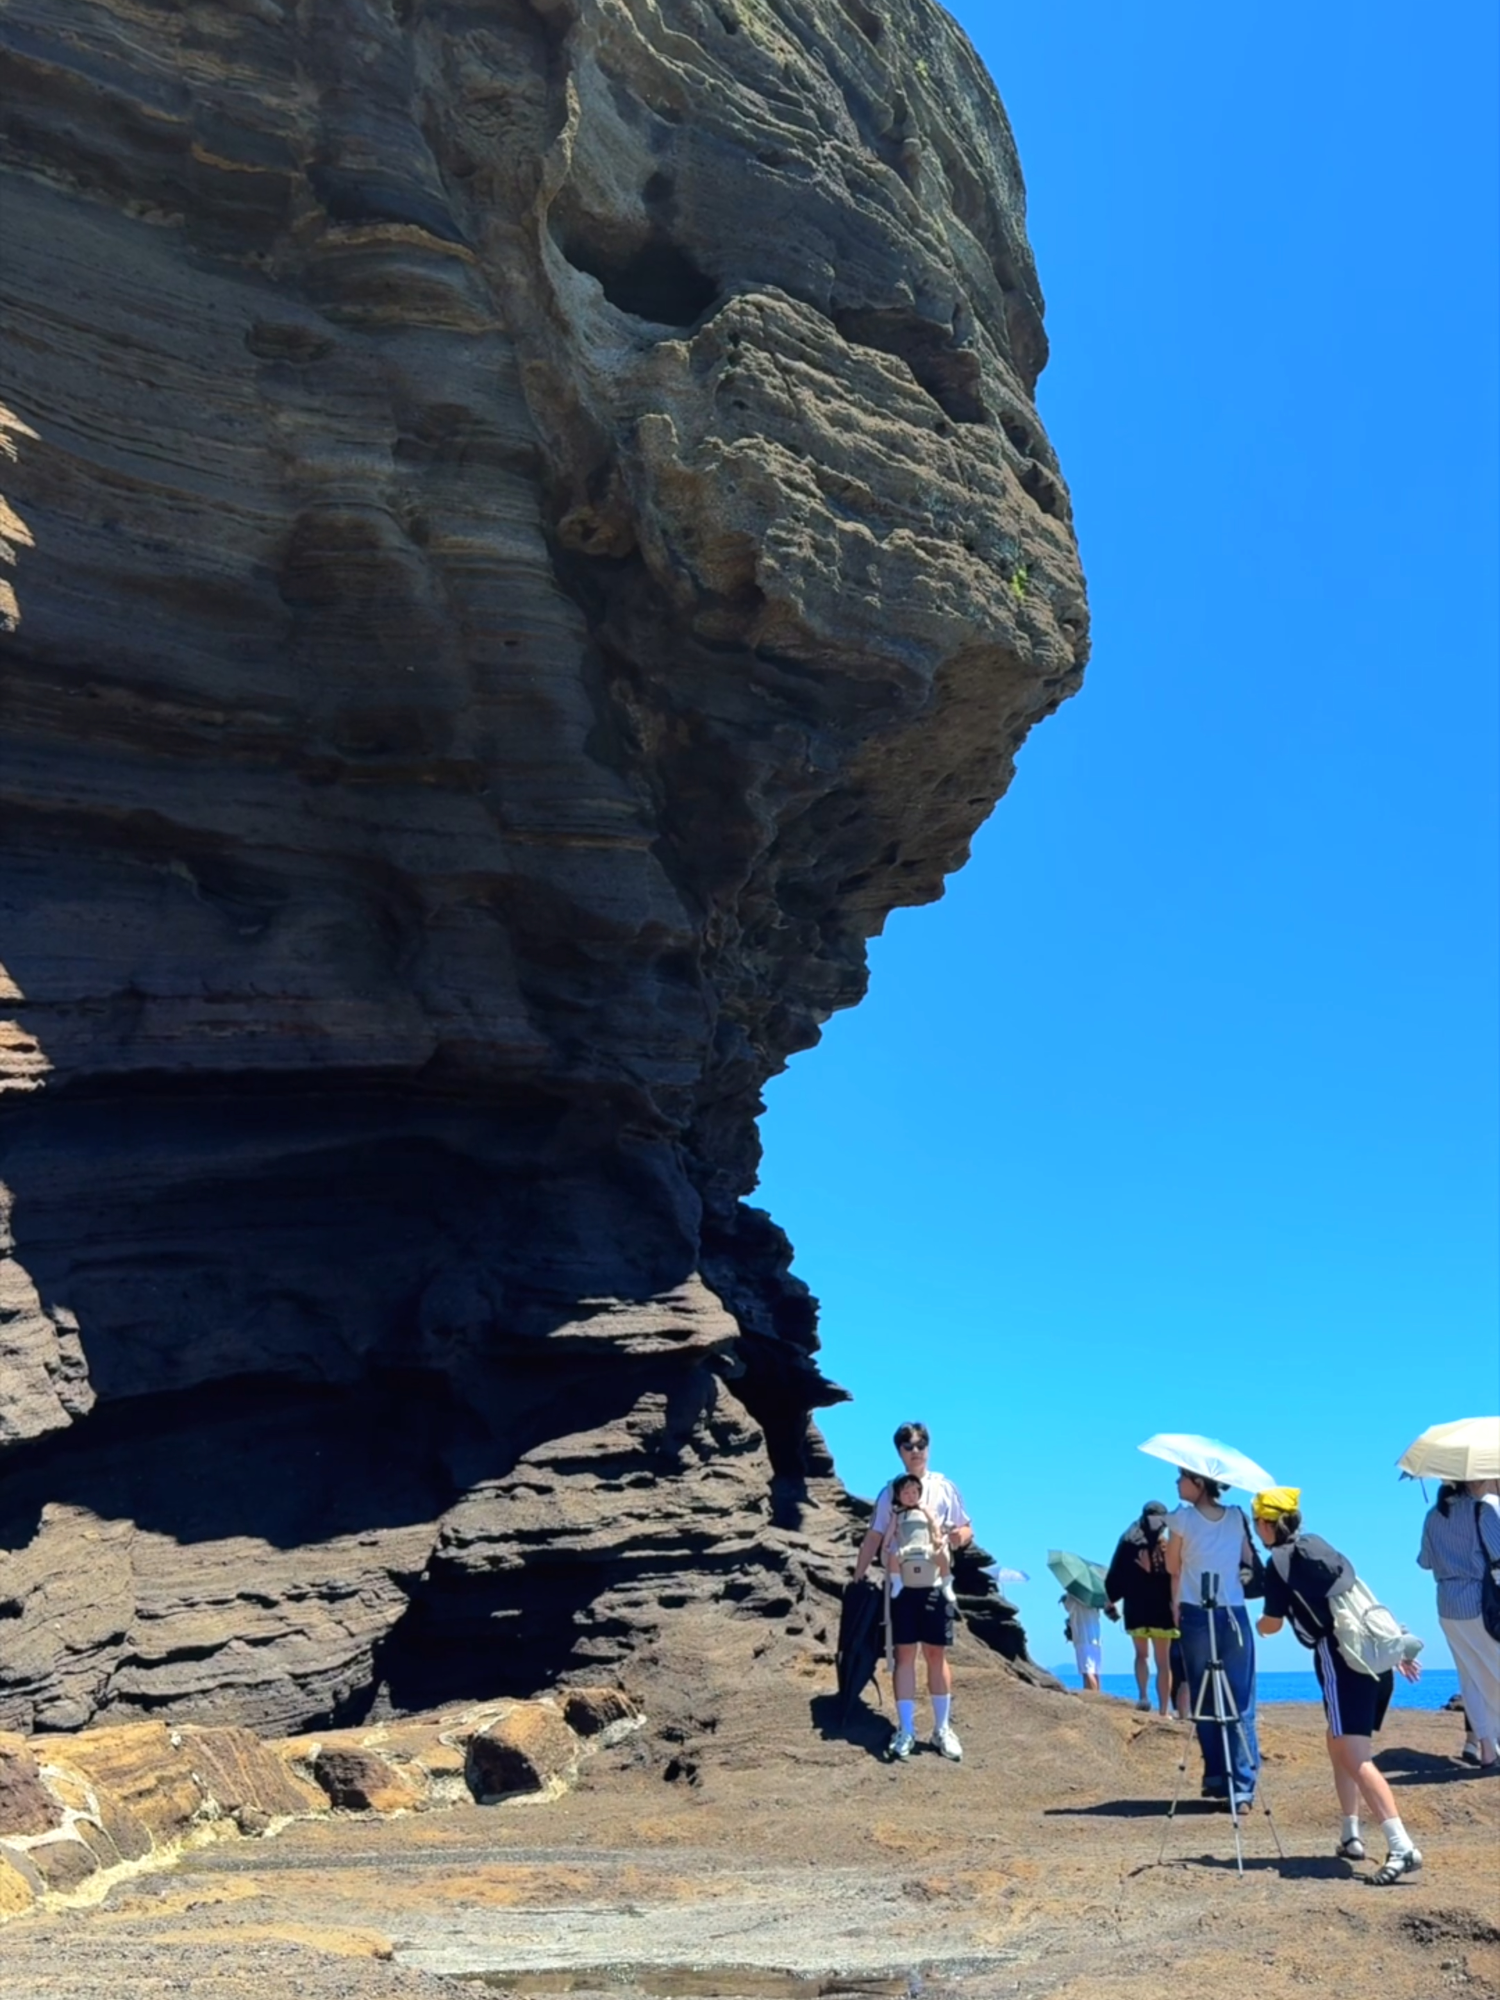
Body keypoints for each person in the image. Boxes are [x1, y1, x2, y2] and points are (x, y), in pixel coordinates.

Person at [1253, 1486, 1424, 1885]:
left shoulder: (1278, 1562)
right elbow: (1357, 1600)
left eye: (1256, 1523)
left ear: (1266, 1524)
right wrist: (1395, 1648)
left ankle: (1401, 1846)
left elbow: (1273, 1624)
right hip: (1374, 1655)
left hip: (1340, 1657)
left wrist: (1257, 1628)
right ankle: (1350, 1834)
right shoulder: (1321, 1547)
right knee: (1338, 1742)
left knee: (1355, 1756)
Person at [853, 1421, 973, 1763]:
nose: (915, 1450)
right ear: (900, 1452)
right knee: (904, 1655)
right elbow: (874, 1536)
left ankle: (941, 1729)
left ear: (929, 1447)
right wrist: (858, 1575)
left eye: (921, 1444)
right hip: (901, 1586)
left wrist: (955, 1539)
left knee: (937, 1654)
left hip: (935, 1583)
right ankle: (905, 1729)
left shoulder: (944, 1487)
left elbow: (966, 1527)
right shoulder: (889, 1492)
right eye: (908, 1446)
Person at [1164, 1467, 1259, 1805]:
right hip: (1233, 1611)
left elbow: (1173, 1567)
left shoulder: (1181, 1520)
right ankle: (1243, 1786)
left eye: (1181, 1477)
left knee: (1204, 1700)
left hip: (1195, 1612)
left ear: (1198, 1483)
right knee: (1240, 1699)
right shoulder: (1235, 1516)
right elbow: (1248, 1558)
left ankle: (1217, 1777)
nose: (1177, 1483)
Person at [1417, 1476, 1500, 1771]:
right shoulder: (1482, 1511)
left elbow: (1425, 1562)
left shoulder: (1433, 1516)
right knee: (1494, 1671)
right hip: (1479, 1601)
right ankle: (1491, 1746)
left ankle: (1487, 1749)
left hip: (1447, 1604)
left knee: (1470, 1679)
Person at [1105, 1500, 1179, 1715]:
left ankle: (1143, 1697)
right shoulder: (1166, 1545)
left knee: (1140, 1655)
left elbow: (1116, 1572)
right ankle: (1164, 1711)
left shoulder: (1129, 1542)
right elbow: (1176, 1574)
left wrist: (1111, 1598)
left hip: (1136, 1607)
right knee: (1163, 1662)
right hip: (1161, 1609)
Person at [882, 1472, 957, 1606]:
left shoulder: (924, 1509)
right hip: (905, 1549)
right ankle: (897, 1582)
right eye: (906, 1493)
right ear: (898, 1496)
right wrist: (886, 1543)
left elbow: (933, 1522)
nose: (911, 1497)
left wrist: (938, 1537)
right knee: (893, 1557)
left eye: (914, 1492)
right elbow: (891, 1529)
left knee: (942, 1556)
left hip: (926, 1548)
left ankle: (946, 1582)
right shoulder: (897, 1513)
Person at [1063, 1591, 1103, 1692]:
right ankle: (1097, 1694)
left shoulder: (1074, 1595)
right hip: (1096, 1638)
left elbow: (1068, 1607)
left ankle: (1093, 1696)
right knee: (1095, 1671)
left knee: (1087, 1671)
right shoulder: (1095, 1599)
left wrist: (1066, 1597)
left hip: (1083, 1638)